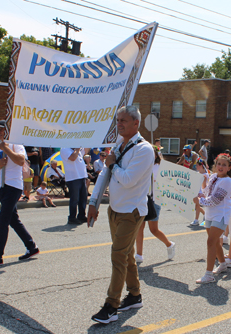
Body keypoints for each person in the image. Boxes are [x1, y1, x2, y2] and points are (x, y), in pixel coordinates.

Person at [87, 106, 154, 324]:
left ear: (136, 123)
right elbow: (105, 174)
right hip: (114, 209)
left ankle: (111, 306)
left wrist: (113, 163)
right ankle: (134, 295)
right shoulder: (120, 144)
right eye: (118, 120)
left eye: (123, 120)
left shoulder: (144, 149)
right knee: (126, 255)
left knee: (118, 255)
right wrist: (93, 202)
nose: (119, 124)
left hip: (131, 212)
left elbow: (128, 180)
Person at [0, 120, 39, 266]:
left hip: (14, 186)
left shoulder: (16, 145)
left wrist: (6, 149)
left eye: (2, 130)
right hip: (2, 188)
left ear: (9, 131)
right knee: (13, 220)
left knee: (2, 221)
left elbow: (20, 161)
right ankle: (31, 247)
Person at [193, 153, 231, 284]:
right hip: (210, 214)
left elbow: (215, 200)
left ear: (229, 168)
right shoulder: (213, 177)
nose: (221, 167)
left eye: (224, 165)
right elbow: (206, 193)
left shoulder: (227, 181)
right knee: (215, 242)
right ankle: (222, 264)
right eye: (219, 164)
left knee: (210, 242)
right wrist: (199, 192)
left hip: (220, 214)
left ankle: (208, 274)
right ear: (215, 165)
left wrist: (200, 201)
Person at [135, 146, 176, 263]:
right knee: (139, 227)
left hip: (155, 200)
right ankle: (139, 254)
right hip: (142, 200)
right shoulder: (142, 166)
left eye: (152, 153)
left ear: (157, 155)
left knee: (153, 229)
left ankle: (169, 244)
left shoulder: (161, 167)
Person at [60, 147, 89, 224]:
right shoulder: (65, 149)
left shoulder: (76, 150)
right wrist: (77, 149)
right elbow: (72, 158)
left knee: (83, 198)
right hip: (73, 178)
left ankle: (82, 215)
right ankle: (72, 217)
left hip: (82, 177)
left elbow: (86, 150)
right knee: (74, 199)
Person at [191, 160, 209, 226]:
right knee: (196, 205)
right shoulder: (197, 174)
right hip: (197, 191)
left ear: (201, 166)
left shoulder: (205, 175)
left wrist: (204, 193)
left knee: (197, 205)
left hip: (201, 192)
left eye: (197, 165)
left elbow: (206, 185)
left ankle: (196, 220)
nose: (196, 166)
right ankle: (205, 214)